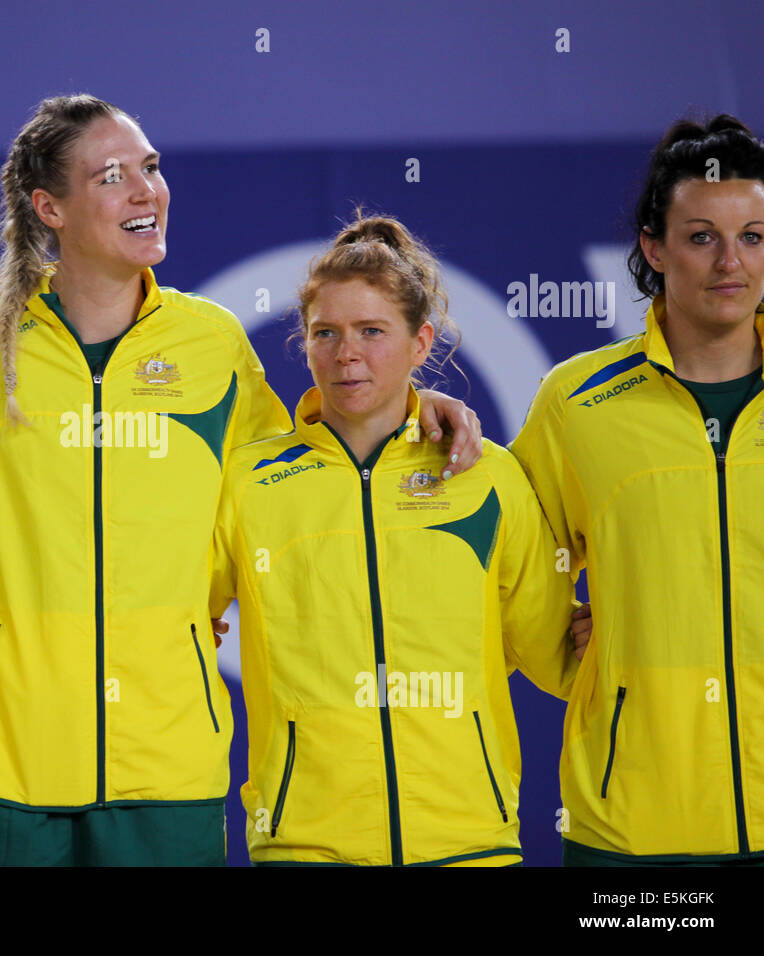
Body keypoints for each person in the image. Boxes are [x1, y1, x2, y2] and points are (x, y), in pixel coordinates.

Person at [0, 94, 485, 866]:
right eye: (113, 175)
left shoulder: (211, 345)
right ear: (48, 206)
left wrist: (413, 400)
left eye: (150, 167)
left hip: (168, 767)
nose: (146, 189)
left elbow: (302, 475)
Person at [210, 212, 584, 866]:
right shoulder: (249, 482)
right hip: (306, 845)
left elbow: (554, 653)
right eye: (325, 333)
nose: (346, 353)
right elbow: (172, 613)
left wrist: (624, 632)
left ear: (421, 342)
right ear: (304, 342)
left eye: (372, 332)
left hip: (467, 842)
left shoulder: (486, 479)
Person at [512, 114, 764, 866]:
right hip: (630, 832)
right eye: (700, 236)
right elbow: (511, 564)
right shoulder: (578, 402)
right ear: (653, 248)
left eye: (754, 235)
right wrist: (589, 659)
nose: (732, 263)